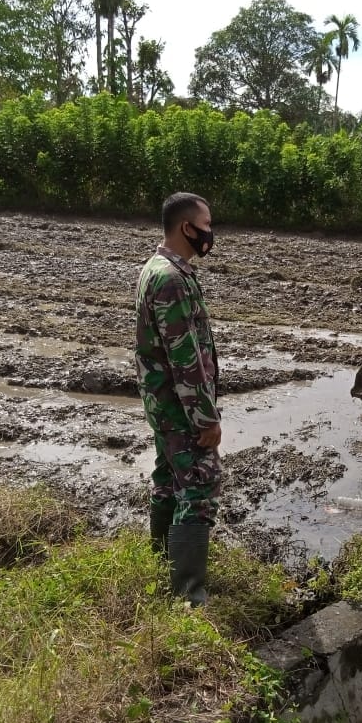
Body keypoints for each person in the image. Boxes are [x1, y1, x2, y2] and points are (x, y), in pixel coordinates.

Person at [135, 192, 221, 605]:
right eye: (206, 225)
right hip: (180, 407)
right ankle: (189, 595)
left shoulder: (158, 269)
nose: (210, 232)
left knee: (168, 481)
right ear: (187, 227)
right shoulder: (170, 278)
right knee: (199, 488)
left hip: (163, 403)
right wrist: (206, 419)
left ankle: (160, 564)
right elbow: (185, 358)